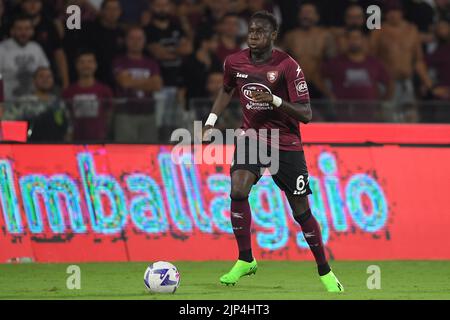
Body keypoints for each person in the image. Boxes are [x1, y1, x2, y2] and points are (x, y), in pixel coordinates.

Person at [202, 11, 344, 292]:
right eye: (251, 30)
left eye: (260, 31)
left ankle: (325, 270)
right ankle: (245, 259)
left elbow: (306, 113)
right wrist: (210, 122)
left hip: (286, 144)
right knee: (238, 189)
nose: (253, 35)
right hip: (251, 137)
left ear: (273, 35)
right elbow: (226, 89)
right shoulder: (234, 61)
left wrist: (275, 99)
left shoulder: (288, 66)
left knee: (301, 210)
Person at [320, 28, 393, 121]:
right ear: (346, 41)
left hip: (369, 114)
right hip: (343, 114)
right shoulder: (336, 62)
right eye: (351, 38)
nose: (354, 41)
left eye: (357, 38)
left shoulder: (374, 63)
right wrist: (329, 95)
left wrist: (382, 103)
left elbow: (389, 83)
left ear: (363, 41)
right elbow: (318, 77)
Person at [369, 0, 433, 107]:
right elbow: (371, 60)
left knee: (410, 118)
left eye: (396, 11)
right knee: (388, 117)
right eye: (389, 11)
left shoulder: (412, 30)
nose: (393, 14)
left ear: (402, 12)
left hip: (407, 81)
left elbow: (418, 60)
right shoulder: (378, 31)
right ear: (385, 13)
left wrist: (427, 82)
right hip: (387, 83)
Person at [113, 26, 163, 142]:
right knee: (125, 151)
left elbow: (157, 85)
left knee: (149, 151)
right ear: (126, 40)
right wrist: (147, 82)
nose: (136, 42)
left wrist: (132, 81)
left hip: (148, 113)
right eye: (132, 38)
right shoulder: (119, 61)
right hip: (125, 114)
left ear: (144, 41)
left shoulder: (151, 63)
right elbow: (124, 82)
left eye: (139, 39)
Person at [281, 3, 335, 99]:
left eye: (309, 12)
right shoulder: (290, 37)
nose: (305, 16)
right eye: (303, 13)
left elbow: (333, 64)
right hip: (296, 85)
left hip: (319, 85)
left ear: (317, 16)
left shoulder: (326, 36)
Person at [3, 66, 68, 141]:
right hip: (30, 146)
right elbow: (8, 122)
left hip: (56, 146)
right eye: (41, 76)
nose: (45, 79)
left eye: (49, 77)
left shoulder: (59, 103)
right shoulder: (24, 102)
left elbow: (67, 127)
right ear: (34, 80)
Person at [62, 50, 114, 142]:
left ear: (95, 65)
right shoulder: (68, 92)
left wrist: (106, 133)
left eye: (90, 62)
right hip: (74, 140)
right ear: (76, 65)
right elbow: (66, 116)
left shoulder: (104, 90)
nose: (86, 66)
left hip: (99, 140)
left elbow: (109, 115)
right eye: (82, 62)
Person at [20, 0, 70, 89]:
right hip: (21, 79)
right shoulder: (14, 25)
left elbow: (59, 55)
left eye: (36, 1)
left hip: (47, 79)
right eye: (28, 1)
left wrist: (65, 82)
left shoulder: (50, 26)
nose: (33, 5)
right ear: (22, 4)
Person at [0, 15, 49, 100]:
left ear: (32, 31)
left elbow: (45, 73)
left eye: (27, 29)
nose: (23, 32)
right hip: (8, 102)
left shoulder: (36, 48)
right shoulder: (2, 49)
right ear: (12, 31)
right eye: (19, 29)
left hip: (34, 101)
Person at [83, 0, 125, 87]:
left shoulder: (122, 33)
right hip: (94, 79)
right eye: (108, 9)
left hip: (117, 80)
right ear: (102, 11)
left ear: (120, 12)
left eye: (115, 9)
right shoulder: (89, 29)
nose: (112, 12)